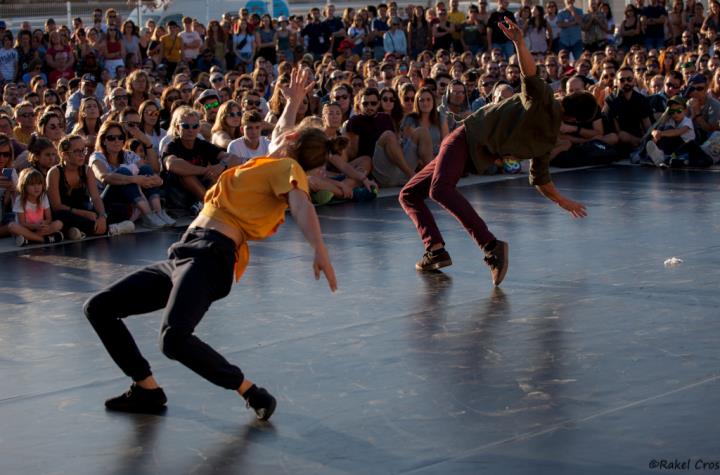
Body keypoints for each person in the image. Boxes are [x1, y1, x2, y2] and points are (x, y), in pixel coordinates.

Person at [82, 68, 337, 419]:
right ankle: (146, 389)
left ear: (293, 141)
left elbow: (301, 204)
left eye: (285, 131)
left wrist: (320, 250)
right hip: (186, 253)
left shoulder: (286, 169)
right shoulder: (270, 162)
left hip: (210, 257)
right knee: (100, 307)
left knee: (173, 339)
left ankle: (251, 391)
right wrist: (291, 103)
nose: (275, 130)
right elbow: (279, 134)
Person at [399, 19, 592, 286]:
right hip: (478, 157)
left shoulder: (544, 99)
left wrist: (519, 42)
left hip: (466, 138)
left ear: (566, 100)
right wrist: (562, 201)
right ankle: (435, 250)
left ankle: (490, 245)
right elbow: (541, 179)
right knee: (409, 194)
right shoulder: (549, 139)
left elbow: (529, 73)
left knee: (439, 189)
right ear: (574, 120)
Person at [9, 168, 64, 246]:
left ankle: (29, 239)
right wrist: (35, 226)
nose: (36, 187)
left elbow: (49, 218)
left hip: (40, 229)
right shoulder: (20, 200)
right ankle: (43, 239)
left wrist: (44, 223)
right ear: (24, 186)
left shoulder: (43, 197)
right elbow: (22, 223)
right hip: (26, 229)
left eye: (39, 184)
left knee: (59, 223)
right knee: (12, 226)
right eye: (32, 184)